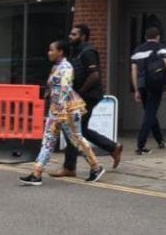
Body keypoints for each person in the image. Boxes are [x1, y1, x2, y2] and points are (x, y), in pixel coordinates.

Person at [19, 40, 105, 185]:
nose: (49, 53)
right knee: (48, 140)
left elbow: (64, 90)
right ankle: (36, 173)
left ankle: (96, 167)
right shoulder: (56, 67)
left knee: (76, 139)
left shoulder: (66, 67)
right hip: (56, 110)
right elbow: (53, 88)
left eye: (52, 50)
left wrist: (59, 113)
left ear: (60, 52)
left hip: (67, 110)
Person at [49, 24, 123, 177]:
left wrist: (80, 93)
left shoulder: (88, 52)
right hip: (82, 96)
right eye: (70, 34)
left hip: (89, 96)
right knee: (79, 129)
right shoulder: (75, 51)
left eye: (74, 34)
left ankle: (70, 167)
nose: (70, 36)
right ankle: (112, 147)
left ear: (83, 36)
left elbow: (94, 75)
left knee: (73, 130)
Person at [131, 26, 166, 155]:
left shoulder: (137, 50)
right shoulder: (161, 48)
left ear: (145, 37)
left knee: (150, 112)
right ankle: (140, 145)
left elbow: (133, 71)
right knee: (150, 114)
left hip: (142, 85)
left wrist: (136, 89)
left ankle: (160, 140)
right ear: (158, 37)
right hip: (156, 84)